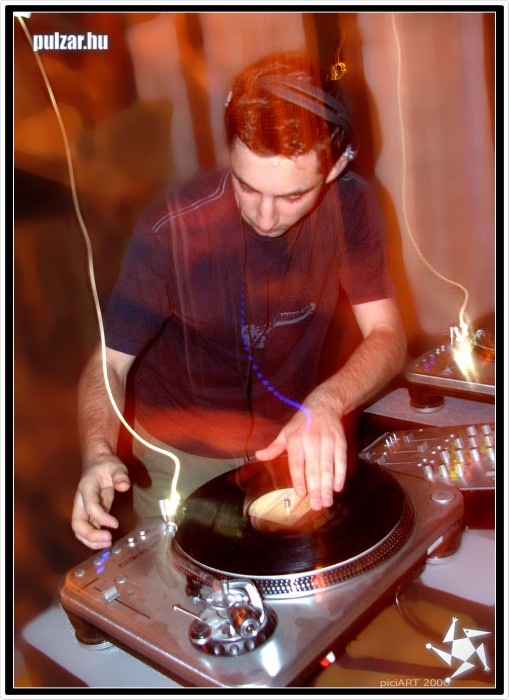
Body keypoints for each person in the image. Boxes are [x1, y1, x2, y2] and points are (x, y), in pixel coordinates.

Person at [72, 52, 407, 550]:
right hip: (181, 453)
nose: (266, 216)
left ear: (336, 167)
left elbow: (387, 334)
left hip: (286, 439)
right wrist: (98, 453)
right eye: (247, 186)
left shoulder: (353, 205)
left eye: (293, 196)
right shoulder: (171, 230)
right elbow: (109, 363)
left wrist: (328, 401)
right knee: (181, 579)